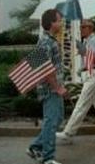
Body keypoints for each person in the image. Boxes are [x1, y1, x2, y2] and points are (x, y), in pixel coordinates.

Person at [59, 19, 95, 144]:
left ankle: (68, 132)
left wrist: (85, 56)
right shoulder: (88, 41)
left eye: (83, 27)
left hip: (93, 75)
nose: (81, 29)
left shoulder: (94, 40)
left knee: (81, 105)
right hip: (92, 75)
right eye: (81, 26)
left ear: (90, 28)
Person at [26, 9, 65, 164]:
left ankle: (35, 146)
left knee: (57, 119)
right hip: (50, 88)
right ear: (51, 23)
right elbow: (43, 67)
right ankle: (48, 157)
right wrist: (56, 87)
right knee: (51, 120)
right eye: (59, 20)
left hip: (55, 86)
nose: (61, 23)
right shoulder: (45, 41)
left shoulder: (50, 40)